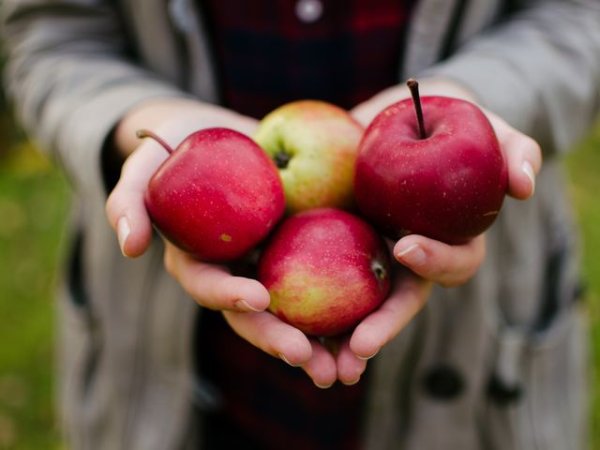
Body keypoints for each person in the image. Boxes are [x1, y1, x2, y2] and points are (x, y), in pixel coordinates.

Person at [2, 0, 599, 449]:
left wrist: (477, 95)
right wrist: (133, 119)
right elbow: (50, 32)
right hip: (180, 364)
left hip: (472, 350)